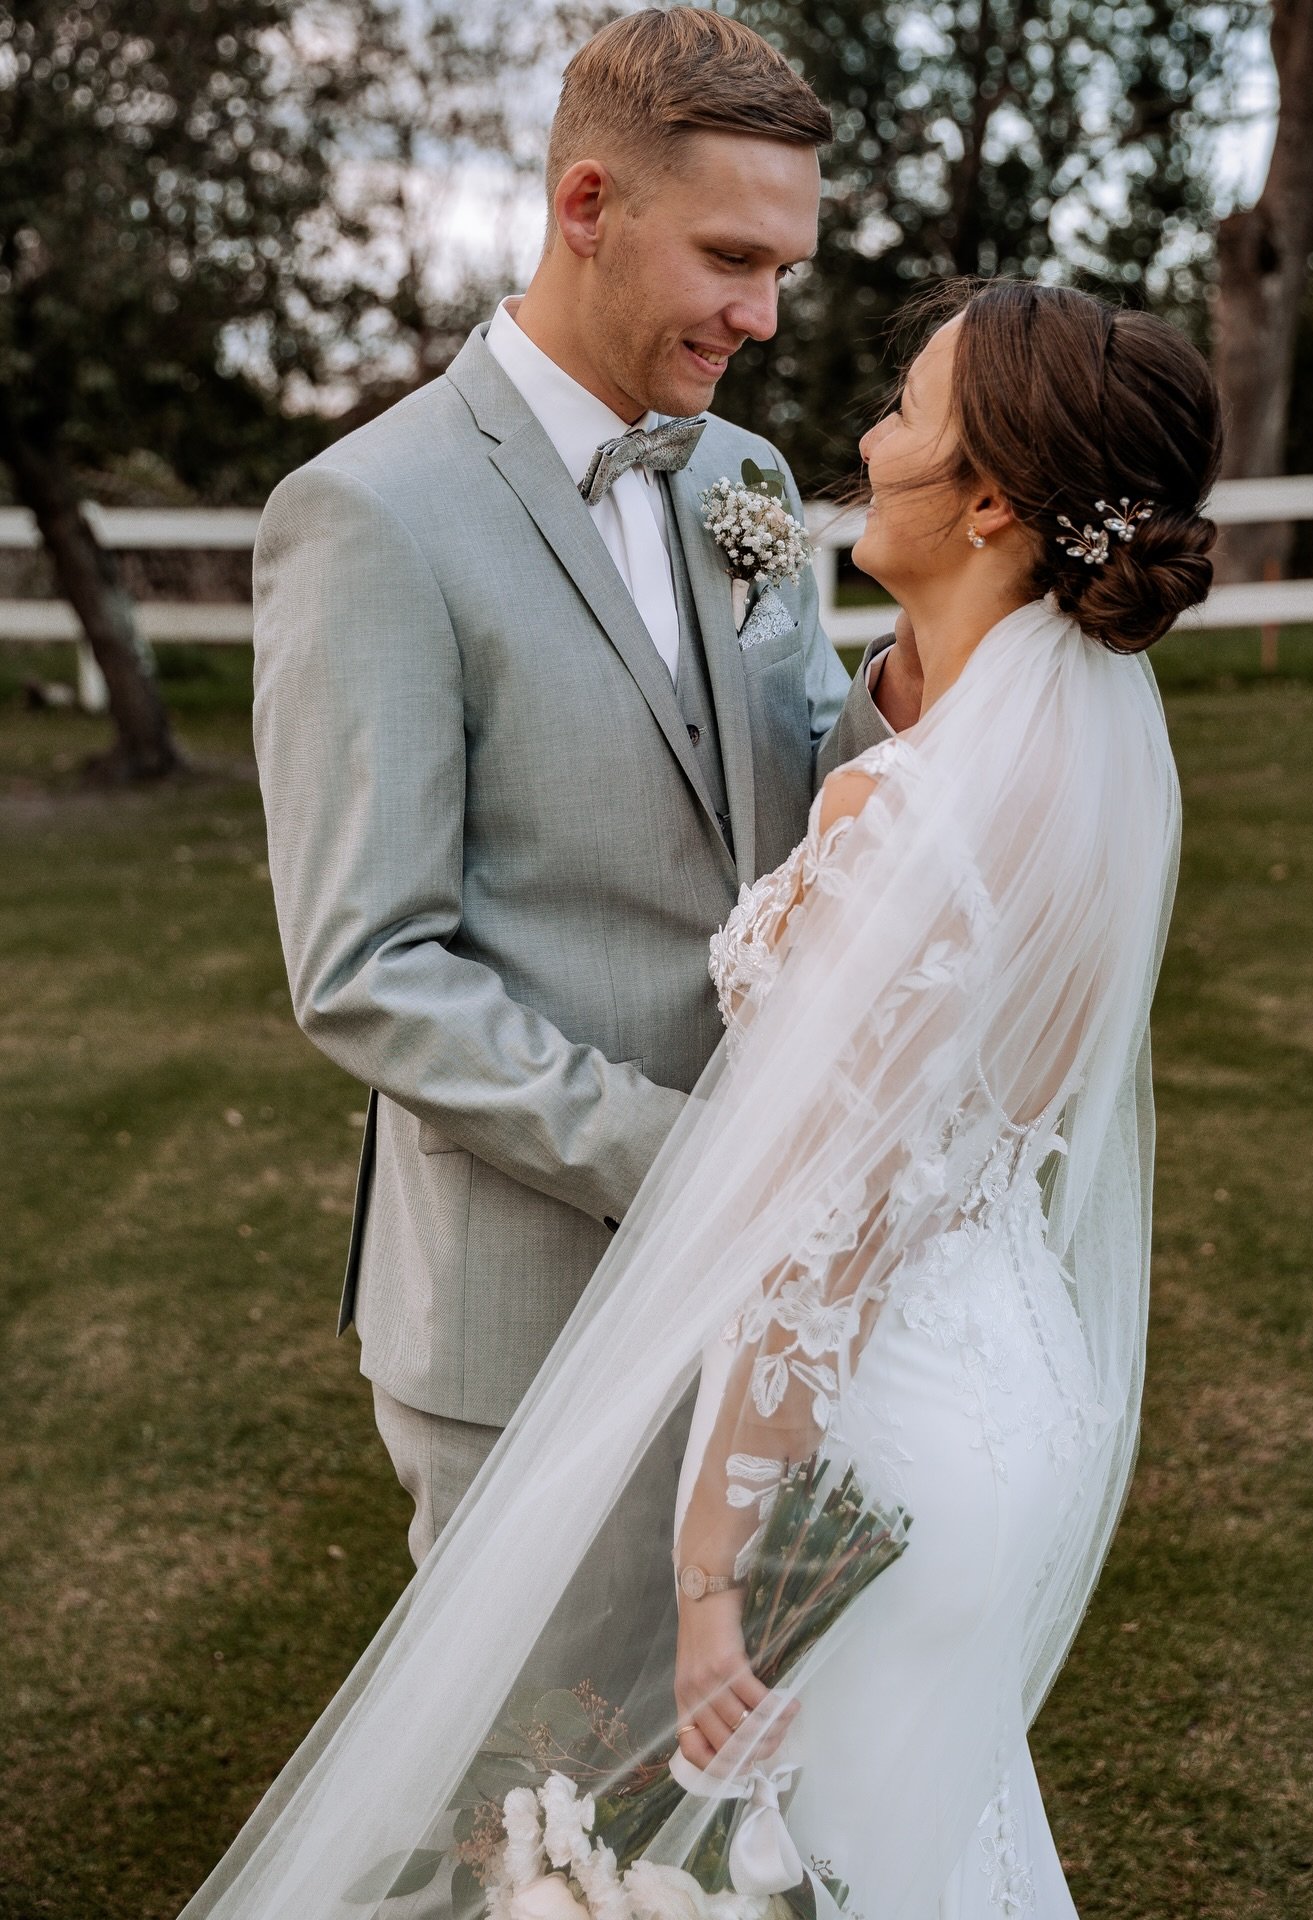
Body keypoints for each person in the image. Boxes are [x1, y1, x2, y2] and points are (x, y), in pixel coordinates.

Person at [182, 278, 1221, 1920]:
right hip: (1002, 1394)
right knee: (917, 1847)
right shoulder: (1059, 766)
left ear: (993, 502)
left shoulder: (916, 806)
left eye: (904, 409)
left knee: (726, 1859)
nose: (858, 431)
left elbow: (826, 1228)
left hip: (852, 1433)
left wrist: (708, 1570)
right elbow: (372, 959)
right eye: (739, 253)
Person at [251, 8, 919, 1567]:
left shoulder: (741, 479)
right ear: (587, 208)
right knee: (536, 1800)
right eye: (731, 260)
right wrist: (692, 1169)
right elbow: (368, 970)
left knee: (739, 1776)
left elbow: (808, 790)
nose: (761, 315)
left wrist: (938, 677)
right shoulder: (367, 515)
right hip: (526, 1308)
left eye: (783, 273)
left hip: (769, 1308)